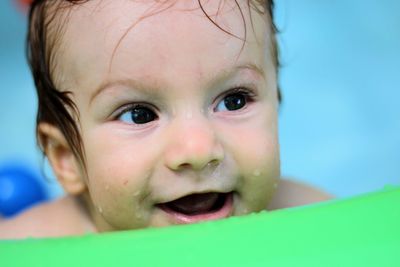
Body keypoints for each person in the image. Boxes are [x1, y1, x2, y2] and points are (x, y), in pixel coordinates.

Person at [0, 0, 331, 239]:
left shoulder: (311, 218)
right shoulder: (37, 241)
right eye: (140, 114)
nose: (198, 150)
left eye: (234, 100)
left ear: (278, 101)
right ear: (66, 158)